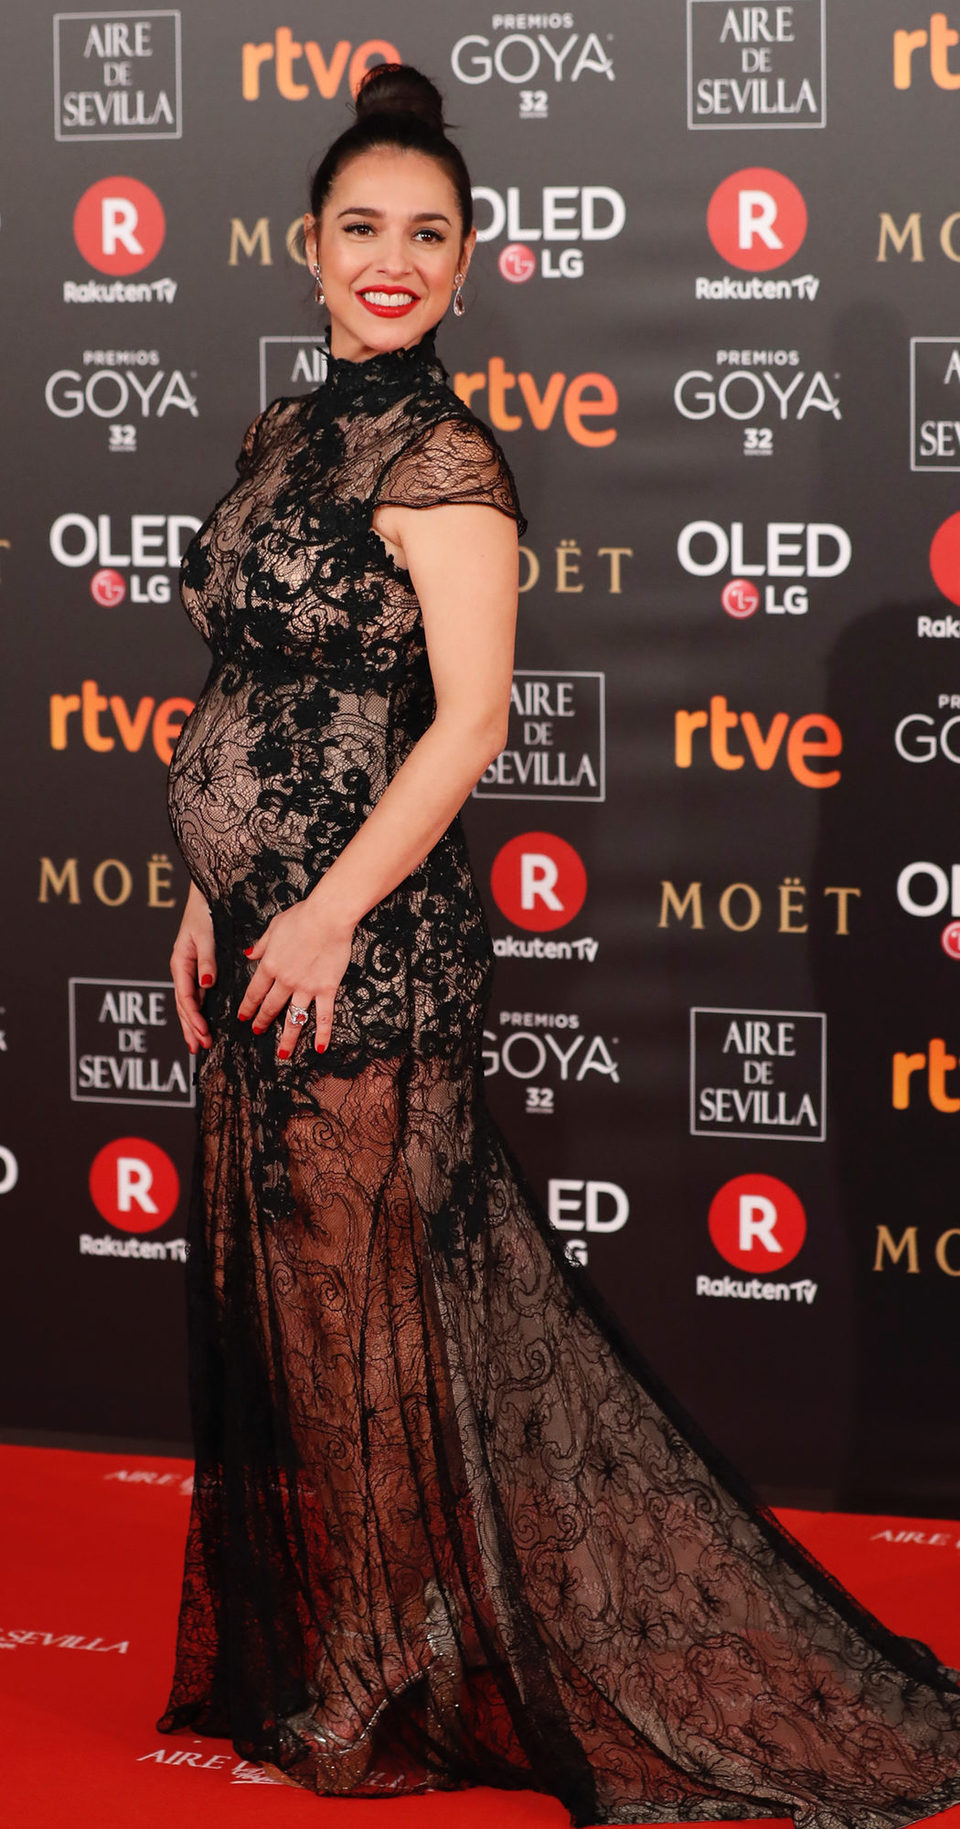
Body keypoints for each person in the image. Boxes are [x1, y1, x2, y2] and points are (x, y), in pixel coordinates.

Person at [158, 61, 960, 1829]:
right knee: (305, 1323)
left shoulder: (447, 459)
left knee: (369, 1324)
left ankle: (397, 1672)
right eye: (360, 227)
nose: (389, 259)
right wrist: (204, 886)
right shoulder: (279, 436)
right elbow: (252, 689)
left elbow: (466, 725)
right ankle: (357, 1647)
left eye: (424, 237)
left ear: (467, 266)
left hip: (362, 945)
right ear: (308, 249)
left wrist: (323, 907)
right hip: (264, 933)